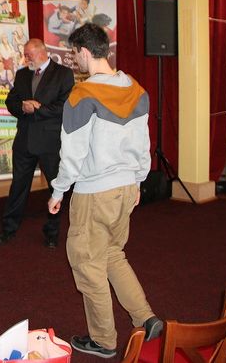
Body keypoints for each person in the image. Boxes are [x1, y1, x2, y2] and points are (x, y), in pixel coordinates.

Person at [47, 23, 162, 358]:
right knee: (112, 254)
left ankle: (103, 340)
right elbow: (144, 143)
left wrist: (58, 191)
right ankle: (146, 318)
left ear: (85, 52)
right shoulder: (136, 89)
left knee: (88, 264)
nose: (74, 61)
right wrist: (138, 180)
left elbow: (72, 154)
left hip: (95, 191)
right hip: (126, 188)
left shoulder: (82, 95)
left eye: (74, 55)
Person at [0, 38, 74, 248]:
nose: (25, 58)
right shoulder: (22, 74)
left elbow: (65, 106)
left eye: (28, 55)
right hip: (24, 141)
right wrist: (22, 107)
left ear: (41, 52)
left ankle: (52, 233)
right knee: (18, 188)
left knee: (55, 188)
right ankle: (8, 229)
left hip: (50, 143)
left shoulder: (63, 74)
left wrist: (38, 109)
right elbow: (11, 101)